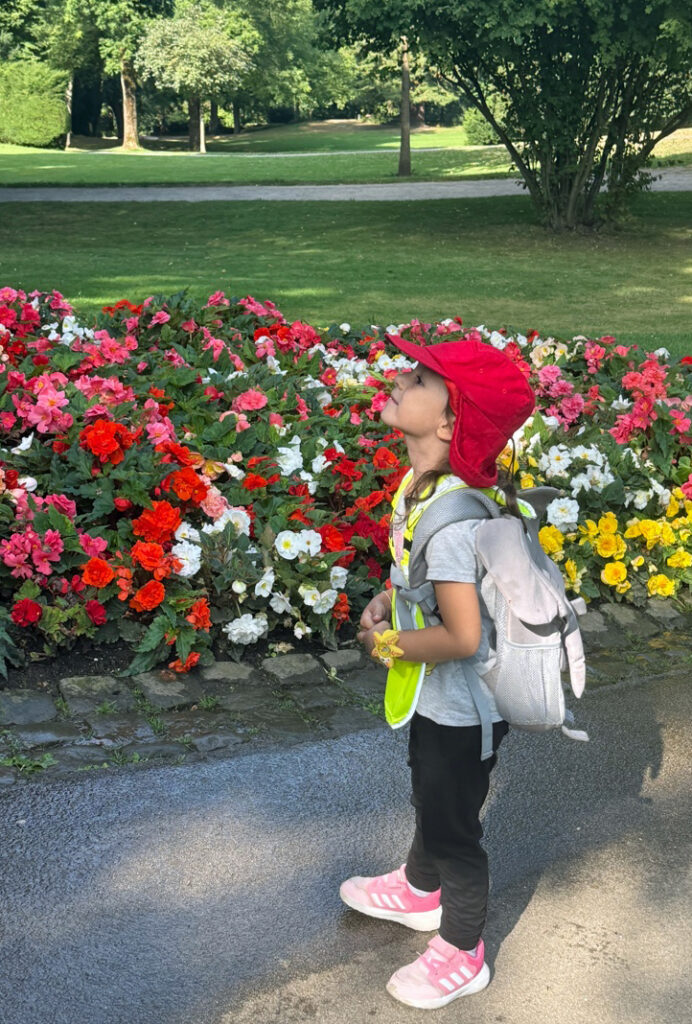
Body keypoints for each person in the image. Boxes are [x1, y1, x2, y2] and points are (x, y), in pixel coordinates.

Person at [339, 336, 536, 1010]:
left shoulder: (454, 520)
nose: (399, 378)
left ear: (451, 421)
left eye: (420, 377)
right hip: (440, 699)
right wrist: (387, 599)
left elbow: (461, 634)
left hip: (465, 706)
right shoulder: (420, 485)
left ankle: (462, 947)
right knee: (431, 789)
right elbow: (417, 580)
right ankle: (418, 888)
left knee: (454, 824)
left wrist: (387, 644)